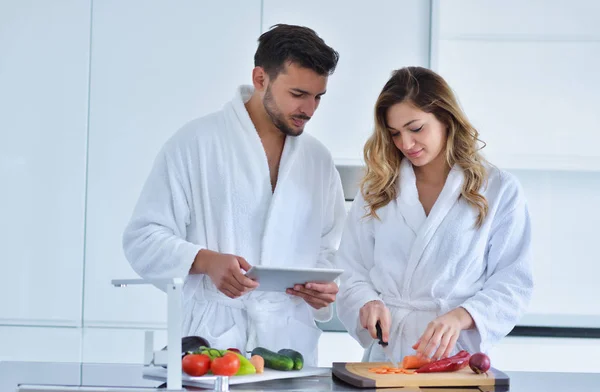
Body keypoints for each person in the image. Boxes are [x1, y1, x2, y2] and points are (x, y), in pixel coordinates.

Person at [123, 24, 346, 366]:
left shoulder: (318, 160)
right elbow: (142, 239)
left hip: (290, 348)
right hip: (212, 344)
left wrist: (323, 289)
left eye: (318, 97)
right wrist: (206, 261)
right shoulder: (197, 143)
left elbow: (327, 249)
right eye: (298, 93)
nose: (310, 109)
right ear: (261, 79)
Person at [336, 66, 533, 363]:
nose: (405, 144)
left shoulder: (497, 190)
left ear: (445, 118)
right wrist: (367, 301)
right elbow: (351, 269)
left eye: (416, 129)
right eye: (395, 134)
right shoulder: (377, 189)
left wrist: (462, 316)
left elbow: (513, 282)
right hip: (388, 357)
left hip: (455, 356)